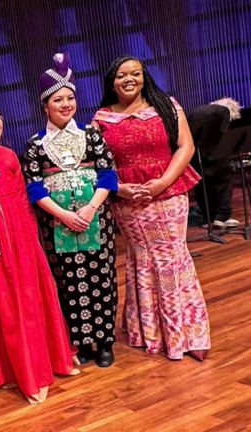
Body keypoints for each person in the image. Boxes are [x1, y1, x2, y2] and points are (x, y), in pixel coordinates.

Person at [0, 97, 79, 405]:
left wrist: (32, 245)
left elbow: (25, 205)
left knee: (28, 302)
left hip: (19, 240)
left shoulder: (10, 156)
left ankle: (41, 365)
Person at [93, 55, 210, 361]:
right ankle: (149, 330)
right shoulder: (102, 119)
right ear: (112, 82)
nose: (129, 79)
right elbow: (95, 166)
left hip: (168, 193)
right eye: (121, 75)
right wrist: (119, 188)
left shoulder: (167, 105)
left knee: (172, 258)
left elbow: (186, 147)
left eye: (135, 73)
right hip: (128, 202)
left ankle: (187, 334)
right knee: (142, 258)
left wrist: (163, 182)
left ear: (144, 76)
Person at [22, 54, 119, 368]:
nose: (65, 104)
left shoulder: (92, 136)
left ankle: (104, 341)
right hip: (57, 226)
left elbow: (108, 175)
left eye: (70, 98)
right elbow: (34, 187)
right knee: (69, 283)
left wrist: (91, 209)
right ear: (45, 106)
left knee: (101, 277)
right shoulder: (36, 144)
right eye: (58, 99)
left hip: (96, 220)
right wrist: (63, 215)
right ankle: (80, 342)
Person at [189, 98, 243, 228]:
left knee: (202, 185)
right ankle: (222, 217)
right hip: (214, 157)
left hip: (195, 158)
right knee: (225, 178)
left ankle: (208, 218)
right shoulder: (221, 113)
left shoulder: (200, 112)